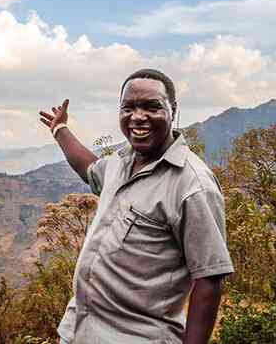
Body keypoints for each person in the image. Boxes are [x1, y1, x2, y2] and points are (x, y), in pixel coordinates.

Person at [38, 69, 233, 344]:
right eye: (128, 108)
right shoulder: (121, 161)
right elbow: (91, 171)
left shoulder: (192, 185)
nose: (138, 116)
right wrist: (60, 130)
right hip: (76, 331)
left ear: (173, 110)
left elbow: (210, 278)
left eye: (152, 107)